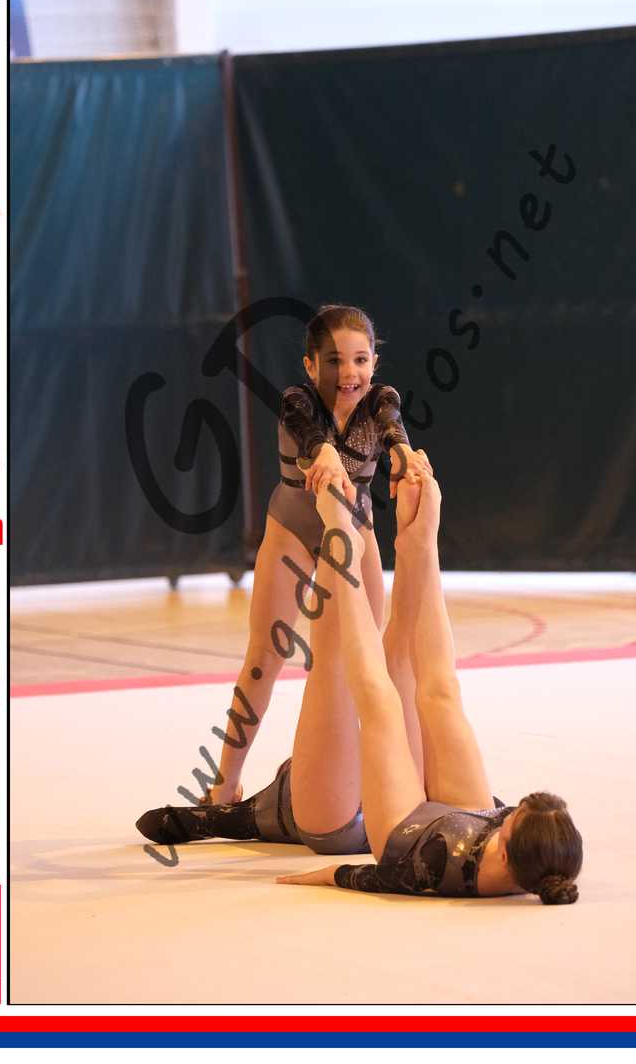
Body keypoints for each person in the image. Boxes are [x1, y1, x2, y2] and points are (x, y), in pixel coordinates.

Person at [138, 471, 583, 903]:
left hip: (378, 825)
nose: (506, 813)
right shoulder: (531, 862)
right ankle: (420, 542)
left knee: (374, 698)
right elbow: (521, 838)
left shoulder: (434, 863)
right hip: (438, 810)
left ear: (504, 854)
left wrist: (328, 876)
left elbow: (377, 876)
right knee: (440, 691)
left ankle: (341, 548)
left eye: (510, 820)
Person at [196, 304, 432, 805]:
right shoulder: (296, 400)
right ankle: (223, 787)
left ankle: (395, 778)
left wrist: (404, 455)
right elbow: (309, 436)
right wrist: (323, 452)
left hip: (353, 537)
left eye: (360, 360)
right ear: (310, 365)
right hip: (292, 534)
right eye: (334, 360)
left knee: (372, 662)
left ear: (373, 363)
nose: (349, 373)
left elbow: (393, 430)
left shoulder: (381, 400)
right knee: (264, 659)